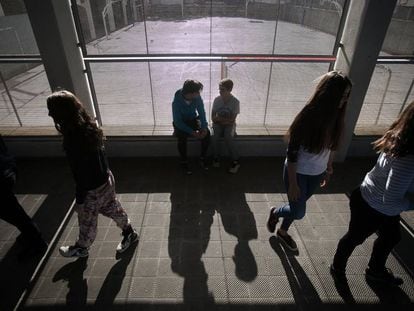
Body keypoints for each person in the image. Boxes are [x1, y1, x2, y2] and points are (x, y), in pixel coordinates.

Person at [266, 71, 352, 251]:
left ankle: (282, 231)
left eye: (347, 96)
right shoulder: (309, 115)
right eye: (342, 96)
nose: (344, 100)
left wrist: (328, 168)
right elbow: (292, 152)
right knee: (298, 211)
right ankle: (275, 212)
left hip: (317, 172)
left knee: (296, 205)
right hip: (297, 172)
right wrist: (293, 183)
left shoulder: (337, 117)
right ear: (330, 95)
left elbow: (332, 146)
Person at [331, 101, 414, 286]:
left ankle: (375, 271)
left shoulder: (399, 138)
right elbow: (390, 200)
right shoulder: (408, 159)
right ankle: (337, 267)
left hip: (370, 197)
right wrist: (411, 204)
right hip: (372, 205)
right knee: (355, 238)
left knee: (391, 236)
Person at [47, 90, 138, 258]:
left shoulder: (73, 138)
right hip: (105, 178)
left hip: (92, 187)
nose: (49, 113)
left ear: (61, 113)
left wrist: (80, 197)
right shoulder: (89, 126)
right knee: (112, 208)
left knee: (87, 220)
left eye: (51, 110)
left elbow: (80, 171)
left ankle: (82, 247)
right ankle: (129, 233)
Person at [0, 135, 47, 260]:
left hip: (2, 175)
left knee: (12, 213)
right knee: (12, 211)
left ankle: (35, 240)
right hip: (5, 168)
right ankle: (30, 235)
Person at [172, 79, 210, 174]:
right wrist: (192, 132)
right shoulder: (176, 101)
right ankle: (184, 161)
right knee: (181, 137)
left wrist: (204, 127)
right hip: (181, 123)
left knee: (207, 134)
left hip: (193, 119)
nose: (199, 94)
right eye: (197, 92)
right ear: (190, 93)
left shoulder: (197, 97)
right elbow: (178, 122)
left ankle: (202, 158)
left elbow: (201, 112)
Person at [211, 78, 241, 173]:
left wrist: (220, 119)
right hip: (219, 124)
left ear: (229, 90)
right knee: (214, 136)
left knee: (228, 136)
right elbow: (213, 117)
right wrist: (224, 121)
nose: (220, 92)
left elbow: (232, 120)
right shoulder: (217, 100)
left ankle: (235, 160)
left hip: (228, 125)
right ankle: (216, 157)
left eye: (222, 89)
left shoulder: (235, 102)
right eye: (219, 89)